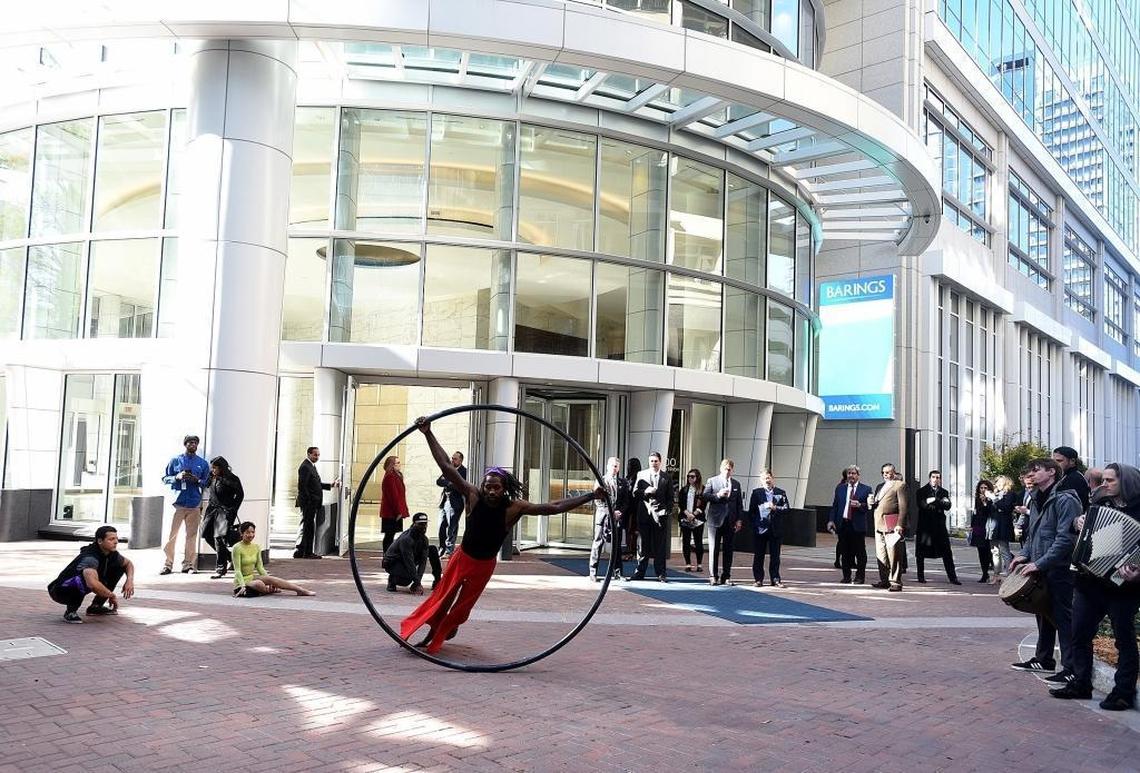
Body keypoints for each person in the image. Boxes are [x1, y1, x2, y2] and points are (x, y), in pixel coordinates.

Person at [400, 417, 604, 653]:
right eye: (488, 486)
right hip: (463, 559)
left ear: (504, 488)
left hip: (484, 565)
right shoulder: (473, 495)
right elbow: (446, 466)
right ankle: (432, 632)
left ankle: (447, 627)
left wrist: (591, 496)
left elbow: (553, 507)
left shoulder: (514, 508)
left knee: (462, 609)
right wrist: (428, 433)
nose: (491, 491)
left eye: (496, 487)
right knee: (442, 597)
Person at [1052, 463, 1140, 708]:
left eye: (1110, 480)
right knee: (1079, 633)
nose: (1104, 484)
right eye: (1103, 480)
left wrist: (1137, 573)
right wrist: (1077, 522)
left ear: (1126, 482)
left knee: (1123, 638)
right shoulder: (1101, 503)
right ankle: (1080, 684)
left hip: (1123, 587)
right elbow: (1080, 529)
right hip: (1089, 580)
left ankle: (1123, 693)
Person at [1009, 458, 1080, 682]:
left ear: (1051, 472)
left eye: (1036, 470)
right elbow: (1034, 535)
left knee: (1063, 618)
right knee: (1042, 612)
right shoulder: (1036, 498)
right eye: (1029, 470)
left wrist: (1039, 563)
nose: (1031, 474)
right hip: (1041, 566)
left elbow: (1065, 539)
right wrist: (1023, 554)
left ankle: (1071, 669)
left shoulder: (1065, 499)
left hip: (1059, 568)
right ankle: (1044, 659)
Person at [48, 525, 135, 623]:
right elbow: (92, 584)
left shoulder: (111, 553)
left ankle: (96, 607)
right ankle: (71, 611)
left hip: (82, 583)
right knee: (83, 579)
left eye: (116, 539)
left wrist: (129, 580)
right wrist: (111, 595)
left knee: (119, 568)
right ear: (100, 541)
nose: (116, 542)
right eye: (111, 539)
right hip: (60, 590)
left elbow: (128, 564)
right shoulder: (90, 558)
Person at [161, 434, 211, 575]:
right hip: (178, 503)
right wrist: (176, 477)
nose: (192, 445)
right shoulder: (175, 460)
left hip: (194, 503)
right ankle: (168, 564)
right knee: (172, 535)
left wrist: (197, 480)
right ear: (185, 444)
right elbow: (165, 478)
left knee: (191, 536)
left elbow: (207, 482)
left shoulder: (202, 463)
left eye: (195, 443)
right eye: (190, 442)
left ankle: (188, 565)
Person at [232, 522, 316, 598]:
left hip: (251, 578)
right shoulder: (237, 548)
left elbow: (260, 567)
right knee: (259, 583)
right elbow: (237, 570)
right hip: (241, 582)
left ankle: (300, 590)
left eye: (253, 532)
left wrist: (269, 580)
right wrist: (242, 585)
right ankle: (268, 591)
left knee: (273, 579)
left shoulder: (256, 547)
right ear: (242, 533)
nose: (251, 535)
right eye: (247, 532)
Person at [632, 452, 676, 582]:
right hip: (644, 515)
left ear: (660, 462)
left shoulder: (666, 477)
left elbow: (670, 498)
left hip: (660, 516)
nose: (653, 463)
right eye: (651, 461)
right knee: (643, 546)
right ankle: (640, 573)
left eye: (656, 461)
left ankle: (661, 573)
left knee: (660, 546)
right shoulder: (641, 475)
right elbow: (635, 493)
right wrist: (645, 491)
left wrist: (666, 511)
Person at [201, 455, 244, 579]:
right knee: (206, 534)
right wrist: (209, 477)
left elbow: (240, 495)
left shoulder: (232, 479)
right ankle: (230, 557)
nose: (213, 470)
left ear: (222, 468)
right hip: (212, 509)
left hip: (225, 511)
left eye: (215, 468)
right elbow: (206, 485)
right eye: (212, 468)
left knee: (219, 538)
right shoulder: (213, 476)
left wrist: (233, 509)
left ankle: (221, 568)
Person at [914, 470, 960, 585]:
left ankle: (953, 577)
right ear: (930, 478)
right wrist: (938, 502)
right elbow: (922, 505)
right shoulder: (921, 491)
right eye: (933, 477)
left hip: (939, 526)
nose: (936, 479)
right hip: (925, 526)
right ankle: (920, 576)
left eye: (938, 477)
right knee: (921, 552)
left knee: (947, 552)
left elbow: (947, 506)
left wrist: (935, 501)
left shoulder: (943, 492)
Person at [702, 458, 744, 586]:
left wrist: (739, 520)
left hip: (730, 521)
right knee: (714, 549)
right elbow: (705, 496)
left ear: (732, 470)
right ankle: (713, 576)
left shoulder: (736, 484)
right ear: (721, 468)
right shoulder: (712, 481)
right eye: (725, 469)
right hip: (715, 520)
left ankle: (726, 576)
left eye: (729, 469)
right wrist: (718, 495)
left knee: (728, 550)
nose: (727, 471)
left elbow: (739, 504)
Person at [828, 465, 872, 584]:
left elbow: (870, 506)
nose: (851, 475)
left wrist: (860, 505)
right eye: (849, 473)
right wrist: (831, 520)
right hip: (843, 524)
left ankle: (860, 577)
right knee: (845, 552)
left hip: (857, 525)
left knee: (860, 553)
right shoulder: (840, 489)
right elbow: (835, 505)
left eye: (853, 473)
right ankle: (846, 576)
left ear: (858, 475)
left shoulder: (866, 489)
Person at [590, 457, 631, 581]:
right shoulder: (601, 481)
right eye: (612, 466)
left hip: (616, 519)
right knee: (598, 543)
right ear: (608, 466)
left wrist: (620, 512)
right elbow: (598, 500)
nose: (614, 468)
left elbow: (626, 501)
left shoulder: (623, 482)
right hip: (603, 517)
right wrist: (611, 512)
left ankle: (618, 573)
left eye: (616, 466)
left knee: (616, 546)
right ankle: (593, 572)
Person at [295, 446, 339, 559]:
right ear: (309, 454)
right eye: (315, 455)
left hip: (311, 503)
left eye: (318, 455)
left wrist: (330, 485)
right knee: (308, 528)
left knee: (307, 527)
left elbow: (315, 484)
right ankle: (307, 552)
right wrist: (309, 501)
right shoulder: (305, 467)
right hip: (309, 504)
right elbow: (302, 486)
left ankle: (301, 551)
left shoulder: (311, 466)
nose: (317, 457)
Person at [870, 463, 909, 591]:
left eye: (888, 472)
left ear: (894, 472)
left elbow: (903, 507)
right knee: (881, 554)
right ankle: (884, 580)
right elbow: (877, 503)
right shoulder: (879, 486)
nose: (886, 475)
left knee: (894, 554)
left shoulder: (900, 485)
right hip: (879, 524)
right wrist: (871, 503)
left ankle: (896, 582)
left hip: (892, 524)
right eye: (883, 472)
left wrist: (900, 524)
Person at [748, 470, 788, 587]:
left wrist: (775, 508)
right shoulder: (756, 493)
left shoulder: (781, 492)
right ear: (761, 480)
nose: (767, 480)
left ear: (772, 478)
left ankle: (775, 579)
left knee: (775, 556)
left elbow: (786, 509)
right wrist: (755, 525)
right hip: (761, 528)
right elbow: (752, 512)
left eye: (768, 478)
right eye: (764, 478)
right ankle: (758, 579)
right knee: (759, 556)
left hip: (775, 528)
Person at [384, 512, 441, 593]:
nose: (424, 527)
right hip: (394, 562)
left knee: (432, 550)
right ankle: (392, 580)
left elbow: (423, 562)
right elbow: (409, 562)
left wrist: (417, 582)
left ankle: (438, 581)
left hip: (408, 558)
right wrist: (417, 583)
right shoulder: (406, 539)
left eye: (425, 524)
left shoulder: (424, 539)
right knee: (407, 580)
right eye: (420, 524)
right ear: (414, 524)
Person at [436, 451, 468, 558]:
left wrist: (449, 483)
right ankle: (442, 548)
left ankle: (449, 550)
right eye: (452, 458)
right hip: (445, 500)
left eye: (455, 459)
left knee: (451, 526)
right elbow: (439, 481)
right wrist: (449, 483)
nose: (452, 460)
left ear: (460, 460)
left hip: (455, 502)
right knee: (441, 525)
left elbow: (461, 486)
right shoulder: (448, 470)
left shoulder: (464, 472)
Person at [678, 468, 706, 572]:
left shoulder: (702, 489)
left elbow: (703, 504)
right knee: (686, 541)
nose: (690, 478)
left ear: (697, 478)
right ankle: (688, 564)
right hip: (685, 518)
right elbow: (681, 504)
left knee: (698, 542)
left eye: (692, 476)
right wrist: (687, 514)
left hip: (697, 519)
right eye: (688, 476)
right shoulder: (684, 489)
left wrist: (694, 514)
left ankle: (699, 564)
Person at [990, 475, 1017, 579]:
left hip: (1004, 525)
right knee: (994, 551)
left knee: (1004, 550)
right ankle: (996, 574)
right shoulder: (995, 494)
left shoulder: (1009, 494)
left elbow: (1006, 507)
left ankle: (1008, 573)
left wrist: (995, 500)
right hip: (994, 525)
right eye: (997, 482)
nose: (998, 484)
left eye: (1001, 482)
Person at [380, 456, 409, 553]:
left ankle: (389, 554)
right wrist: (398, 511)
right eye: (397, 463)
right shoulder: (390, 477)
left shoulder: (397, 475)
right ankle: (387, 555)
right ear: (392, 465)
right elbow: (393, 496)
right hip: (391, 513)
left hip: (394, 511)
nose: (400, 464)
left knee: (391, 535)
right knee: (389, 535)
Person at [971, 480, 996, 583]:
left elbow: (989, 512)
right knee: (980, 550)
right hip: (978, 526)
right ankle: (984, 573)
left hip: (987, 525)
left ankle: (993, 570)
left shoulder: (991, 499)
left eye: (985, 488)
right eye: (981, 488)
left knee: (988, 549)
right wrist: (972, 525)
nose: (983, 490)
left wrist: (985, 502)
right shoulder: (977, 499)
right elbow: (976, 512)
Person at [1052, 445, 1091, 512]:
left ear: (1072, 461)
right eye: (1053, 461)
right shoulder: (1064, 476)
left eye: (1059, 461)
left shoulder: (1075, 479)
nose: (1055, 464)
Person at [624, 457, 643, 561]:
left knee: (633, 530)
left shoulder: (638, 479)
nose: (628, 467)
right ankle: (631, 551)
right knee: (629, 530)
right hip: (628, 509)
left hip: (635, 509)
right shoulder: (628, 478)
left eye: (630, 465)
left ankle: (632, 552)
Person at [1013, 469, 1034, 546]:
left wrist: (1026, 511)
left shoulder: (1040, 495)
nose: (1028, 486)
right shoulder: (1023, 493)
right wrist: (1018, 526)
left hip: (1034, 526)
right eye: (1026, 484)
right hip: (1025, 526)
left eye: (1030, 484)